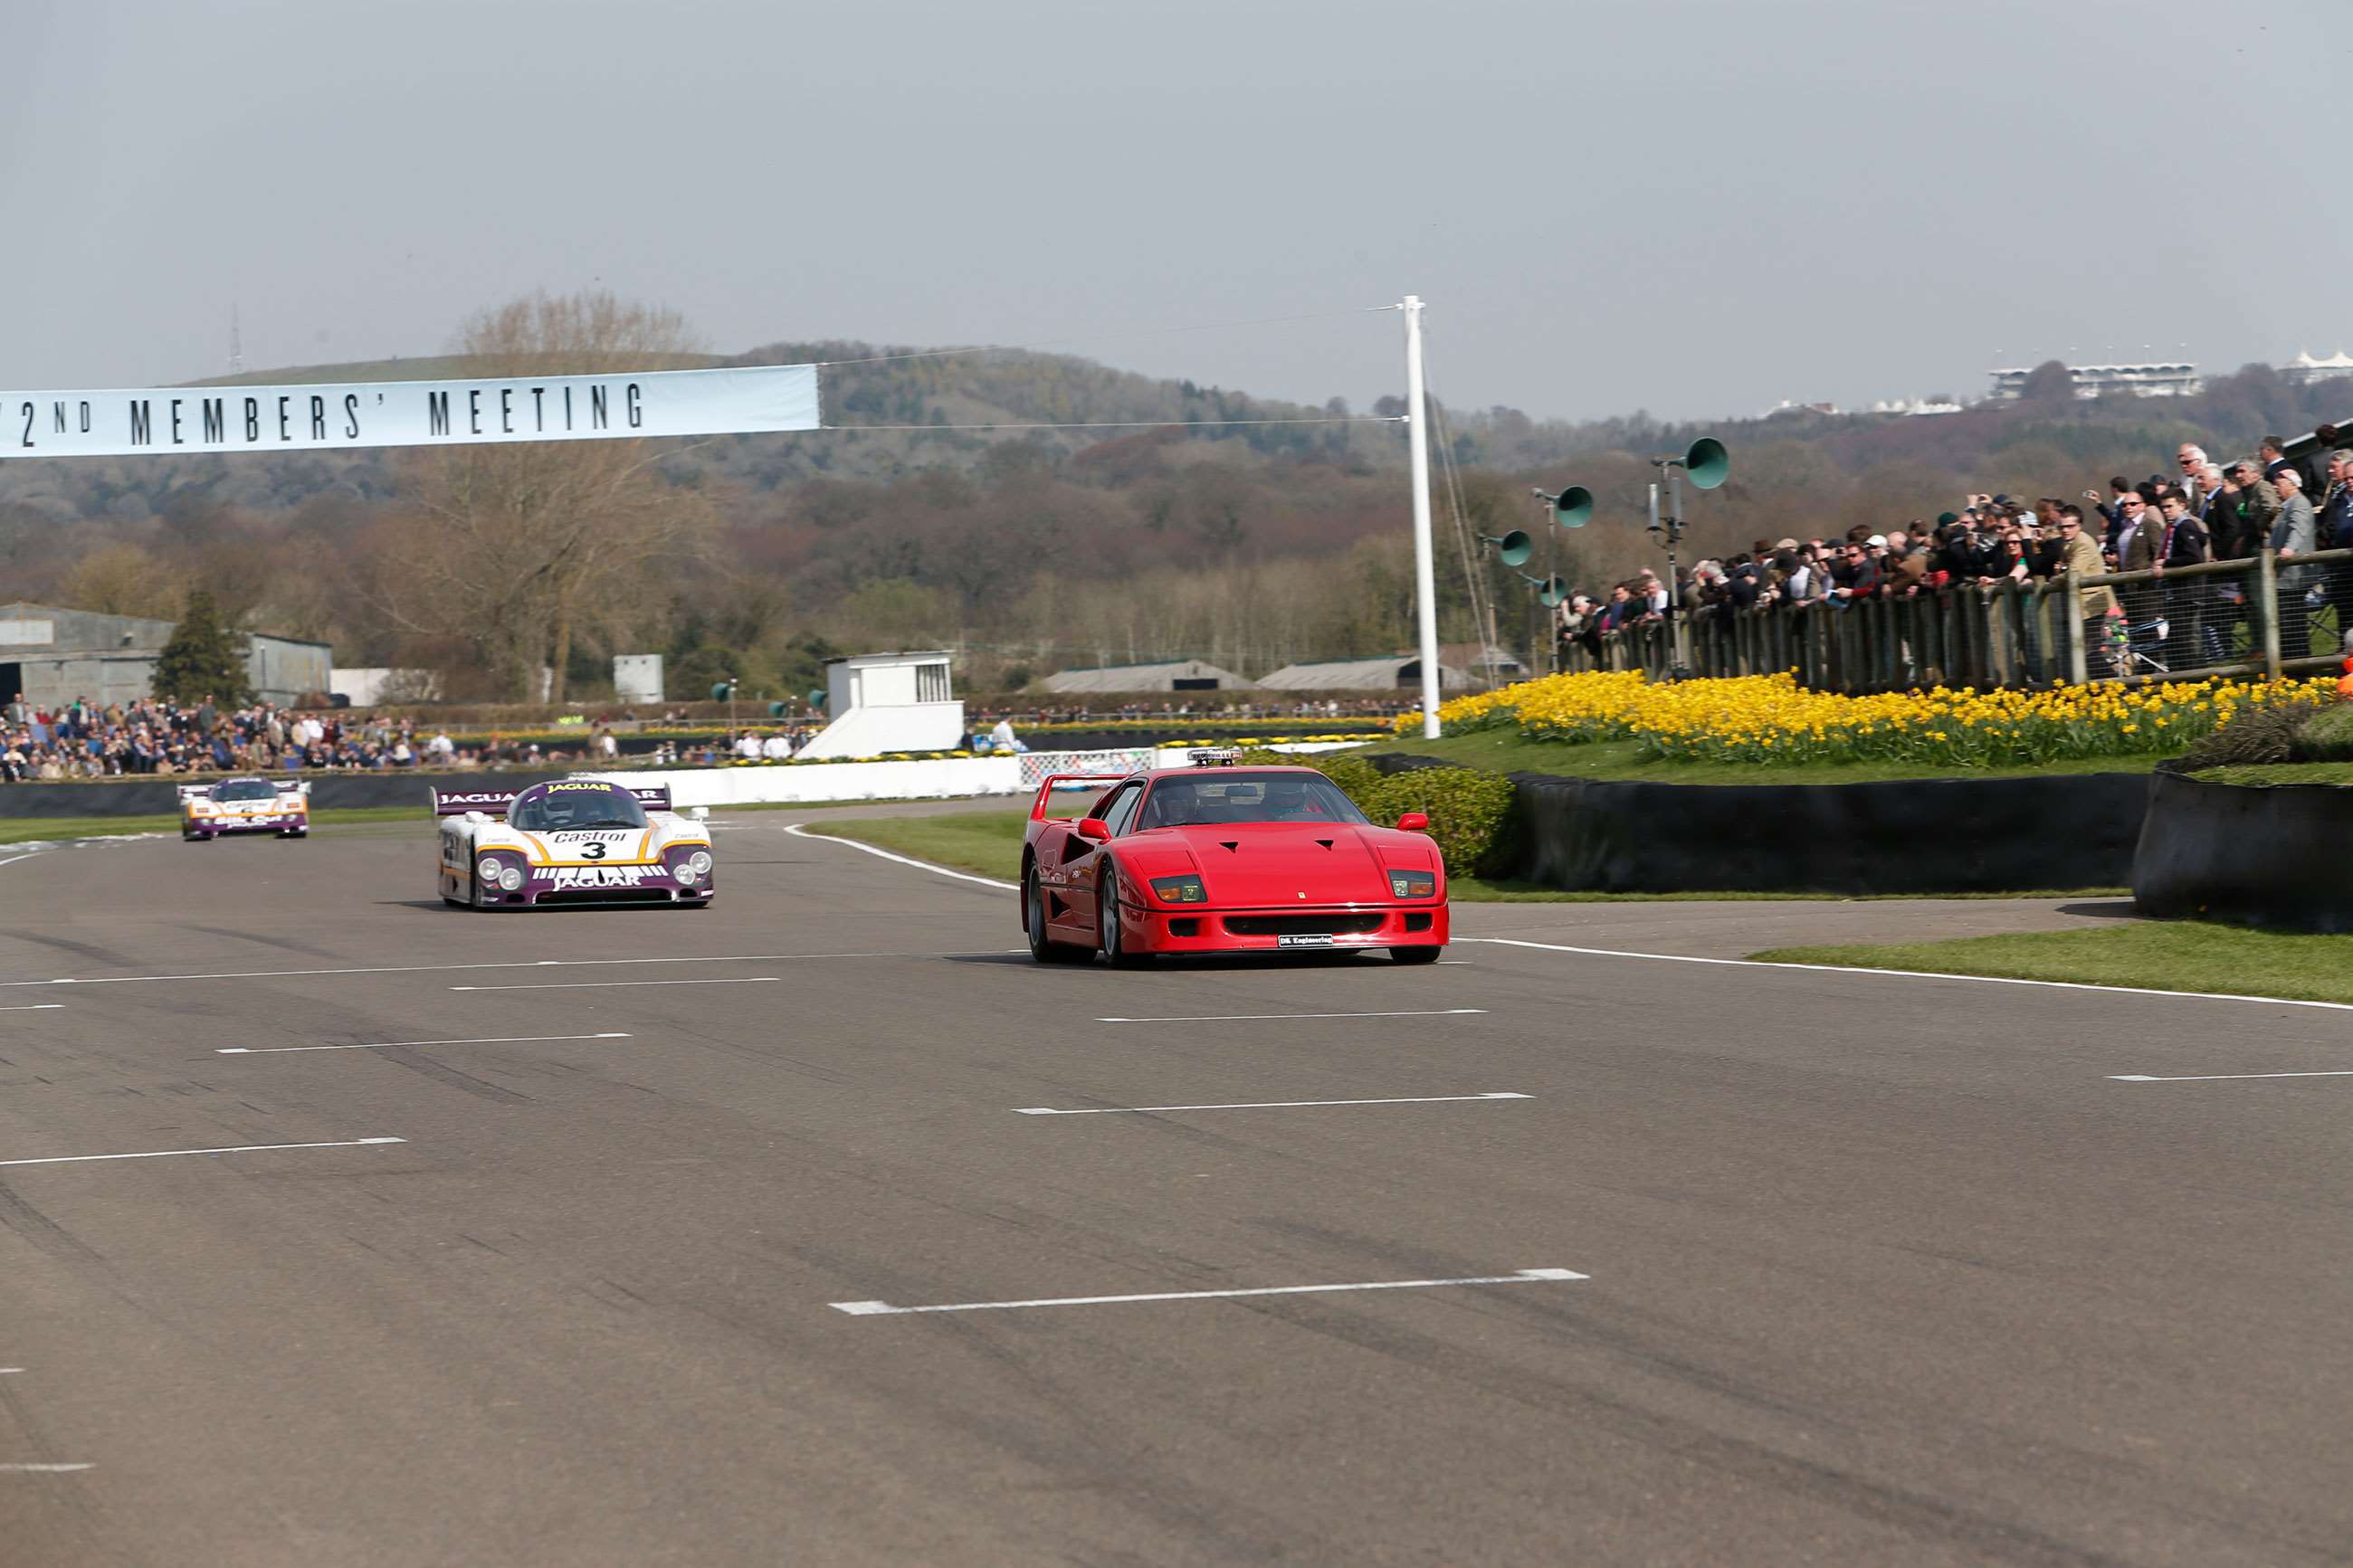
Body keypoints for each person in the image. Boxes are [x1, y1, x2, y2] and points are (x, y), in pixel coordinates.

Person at [2271, 468, 2317, 660]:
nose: (2275, 487)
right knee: (2288, 622)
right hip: (2285, 576)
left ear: (2292, 483)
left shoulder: (2299, 503)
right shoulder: (2287, 505)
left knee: (2293, 623)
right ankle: (2293, 665)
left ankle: (2299, 667)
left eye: (2279, 483)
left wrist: (2289, 549)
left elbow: (2299, 528)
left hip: (2294, 575)